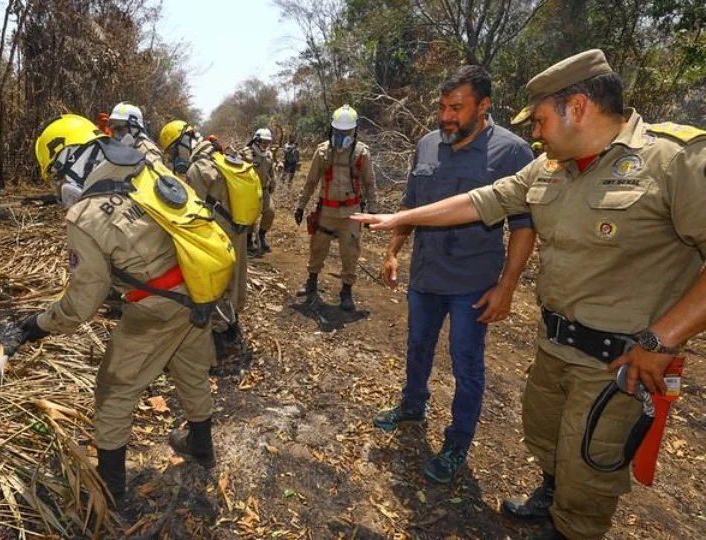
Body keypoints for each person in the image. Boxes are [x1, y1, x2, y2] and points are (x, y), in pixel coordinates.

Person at [353, 49, 706, 540]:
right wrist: (401, 219)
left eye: (540, 119)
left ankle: (572, 524)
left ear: (577, 107)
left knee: (590, 466)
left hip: (621, 359)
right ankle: (549, 494)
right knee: (547, 438)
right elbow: (482, 201)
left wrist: (663, 338)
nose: (535, 132)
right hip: (555, 343)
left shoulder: (674, 162)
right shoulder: (550, 168)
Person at [22, 114, 218, 504]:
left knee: (113, 392)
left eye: (59, 170)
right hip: (198, 287)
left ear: (71, 159)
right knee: (190, 370)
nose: (61, 182)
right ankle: (202, 447)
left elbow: (83, 300)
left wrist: (41, 324)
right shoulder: (145, 165)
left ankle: (110, 491)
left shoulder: (84, 216)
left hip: (155, 310)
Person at [371, 65, 537, 485]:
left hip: (472, 286)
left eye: (456, 108)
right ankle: (413, 404)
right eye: (443, 107)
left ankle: (457, 443)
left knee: (466, 365)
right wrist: (393, 253)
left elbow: (523, 225)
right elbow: (410, 206)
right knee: (417, 346)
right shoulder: (427, 145)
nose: (446, 116)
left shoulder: (513, 153)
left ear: (484, 106)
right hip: (425, 277)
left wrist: (507, 286)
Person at [159, 120, 249, 360]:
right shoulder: (222, 155)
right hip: (239, 230)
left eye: (173, 151)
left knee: (217, 287)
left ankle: (220, 348)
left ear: (183, 143)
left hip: (219, 236)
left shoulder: (197, 169)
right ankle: (234, 335)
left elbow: (193, 210)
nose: (174, 158)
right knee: (235, 283)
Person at [294, 105, 377, 311]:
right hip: (327, 211)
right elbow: (311, 181)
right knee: (317, 247)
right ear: (332, 130)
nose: (341, 136)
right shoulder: (323, 152)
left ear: (353, 132)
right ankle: (311, 282)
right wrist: (300, 205)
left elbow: (369, 183)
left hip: (351, 213)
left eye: (345, 132)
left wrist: (372, 212)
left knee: (350, 253)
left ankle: (346, 291)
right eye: (338, 132)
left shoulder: (361, 153)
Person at [241, 128, 276, 255]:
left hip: (264, 189)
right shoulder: (246, 153)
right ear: (256, 140)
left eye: (267, 142)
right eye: (263, 142)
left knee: (270, 212)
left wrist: (273, 181)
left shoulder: (268, 154)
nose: (265, 145)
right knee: (251, 216)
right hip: (250, 191)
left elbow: (271, 170)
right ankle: (248, 240)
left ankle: (261, 236)